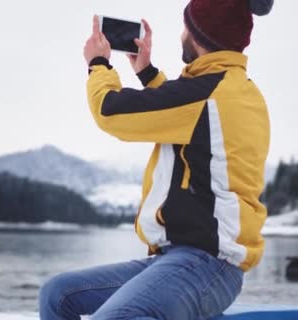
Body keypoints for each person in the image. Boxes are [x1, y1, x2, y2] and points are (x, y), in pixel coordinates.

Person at [40, 0, 273, 319]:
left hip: (207, 266)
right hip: (176, 260)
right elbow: (188, 116)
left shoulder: (209, 95)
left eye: (186, 28)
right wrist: (147, 73)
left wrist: (98, 64)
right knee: (58, 294)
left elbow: (110, 111)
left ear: (199, 36)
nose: (181, 35)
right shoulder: (232, 89)